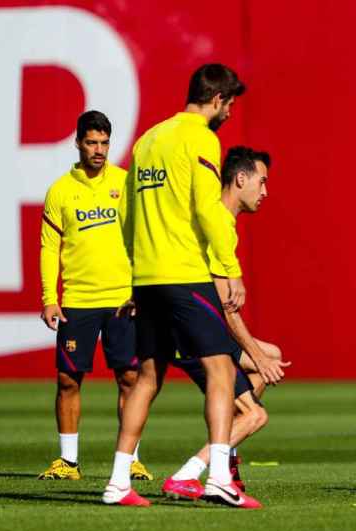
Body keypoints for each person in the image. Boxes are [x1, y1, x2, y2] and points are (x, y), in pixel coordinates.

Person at [102, 63, 254, 508]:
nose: (229, 113)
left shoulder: (148, 139)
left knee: (147, 377)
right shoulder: (201, 137)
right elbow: (209, 210)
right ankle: (219, 478)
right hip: (185, 273)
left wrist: (135, 273)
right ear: (219, 99)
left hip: (147, 277)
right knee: (222, 369)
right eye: (230, 104)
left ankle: (117, 483)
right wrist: (230, 267)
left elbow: (127, 215)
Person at [161, 146, 290, 500]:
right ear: (241, 179)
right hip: (192, 333)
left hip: (190, 324)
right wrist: (257, 356)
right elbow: (225, 308)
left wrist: (262, 358)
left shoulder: (220, 221)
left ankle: (227, 456)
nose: (265, 192)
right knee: (255, 415)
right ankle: (191, 473)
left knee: (270, 357)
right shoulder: (217, 222)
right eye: (261, 183)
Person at [37, 110, 151, 482]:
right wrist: (48, 297)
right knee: (68, 380)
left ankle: (130, 459)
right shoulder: (60, 191)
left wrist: (140, 289)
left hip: (121, 299)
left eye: (104, 142)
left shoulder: (123, 182)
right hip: (78, 302)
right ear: (78, 142)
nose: (99, 149)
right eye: (92, 142)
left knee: (130, 379)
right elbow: (48, 247)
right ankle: (68, 462)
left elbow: (140, 238)